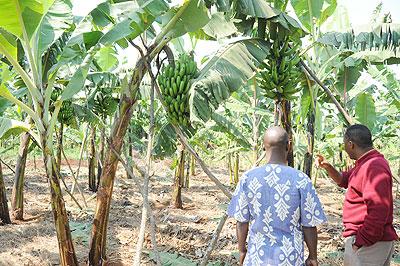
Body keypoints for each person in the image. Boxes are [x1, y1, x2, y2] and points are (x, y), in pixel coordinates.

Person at [227, 126, 326, 266]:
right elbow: (309, 225)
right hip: (290, 258)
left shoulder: (247, 178)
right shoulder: (301, 180)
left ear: (263, 147)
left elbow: (241, 221)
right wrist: (313, 256)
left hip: (257, 257)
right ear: (289, 146)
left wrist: (242, 251)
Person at [316, 124, 398, 266]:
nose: (345, 149)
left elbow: (379, 210)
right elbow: (344, 180)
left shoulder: (374, 166)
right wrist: (328, 167)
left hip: (369, 245)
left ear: (351, 144)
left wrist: (360, 241)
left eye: (344, 145)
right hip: (370, 242)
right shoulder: (365, 163)